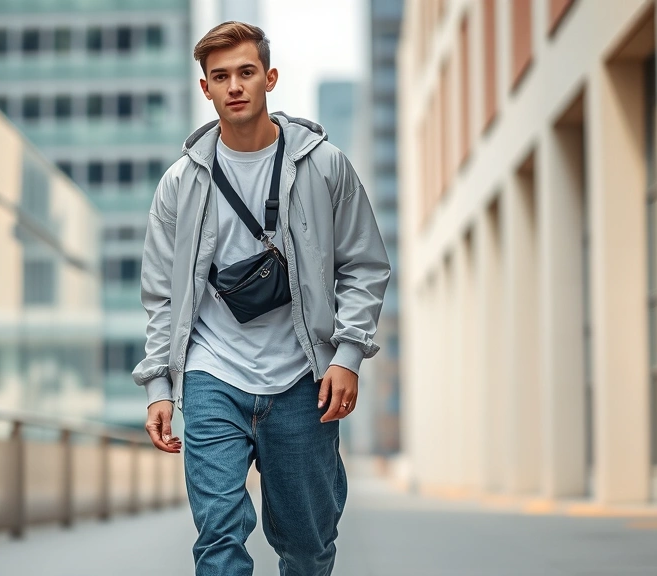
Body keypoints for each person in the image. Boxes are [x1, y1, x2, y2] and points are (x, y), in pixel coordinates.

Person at [133, 21, 390, 576]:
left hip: (303, 378)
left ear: (269, 77)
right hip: (211, 375)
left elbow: (366, 265)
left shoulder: (325, 166)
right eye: (220, 76)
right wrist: (159, 385)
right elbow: (160, 294)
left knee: (307, 545)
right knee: (218, 539)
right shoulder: (179, 184)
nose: (234, 86)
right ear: (205, 88)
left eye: (246, 72)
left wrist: (347, 357)